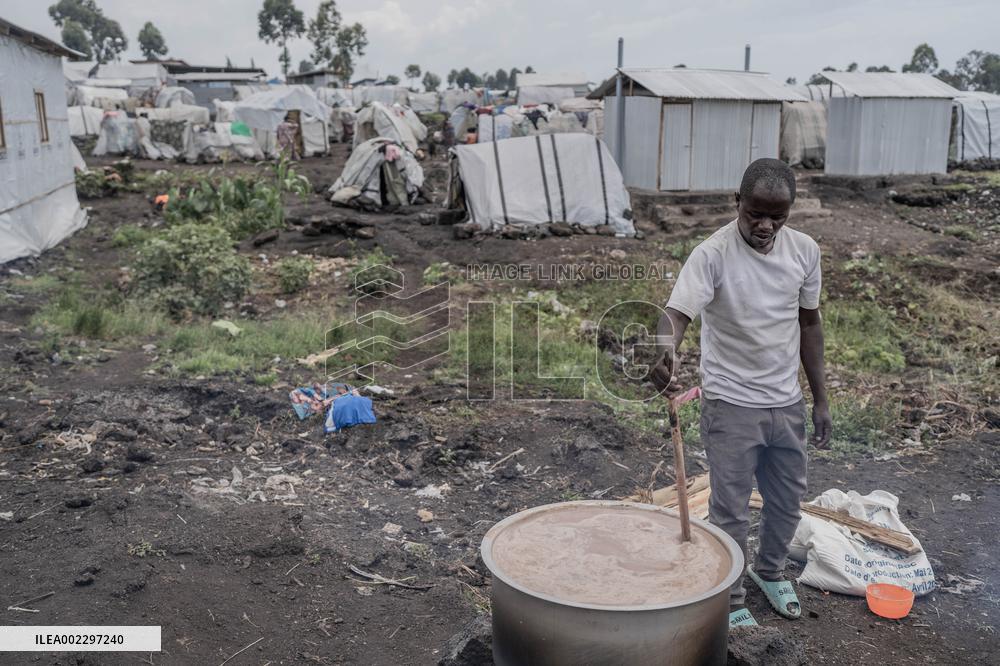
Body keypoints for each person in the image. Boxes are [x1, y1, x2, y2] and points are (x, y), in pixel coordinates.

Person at [650, 158, 832, 627]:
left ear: (790, 212)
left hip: (785, 401)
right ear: (738, 203)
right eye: (755, 213)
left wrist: (821, 399)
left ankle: (769, 571)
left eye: (778, 216)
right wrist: (663, 348)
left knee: (788, 498)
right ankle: (728, 598)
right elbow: (677, 313)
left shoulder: (804, 251)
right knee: (729, 508)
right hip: (730, 404)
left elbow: (809, 323)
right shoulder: (712, 254)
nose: (766, 225)